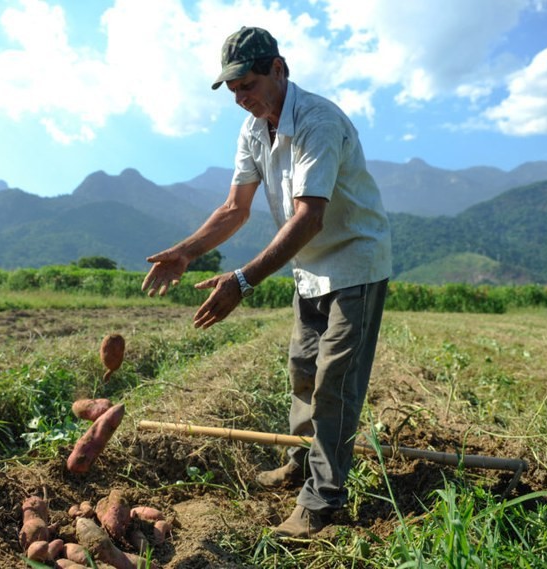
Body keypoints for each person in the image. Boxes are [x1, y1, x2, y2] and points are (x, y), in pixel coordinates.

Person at [142, 26, 392, 538]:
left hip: (355, 264)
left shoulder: (318, 121)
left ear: (279, 69)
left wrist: (242, 281)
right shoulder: (255, 129)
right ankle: (304, 460)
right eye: (233, 90)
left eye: (248, 85)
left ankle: (323, 500)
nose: (241, 98)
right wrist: (187, 252)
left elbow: (308, 219)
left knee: (335, 384)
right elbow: (235, 208)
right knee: (303, 369)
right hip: (309, 268)